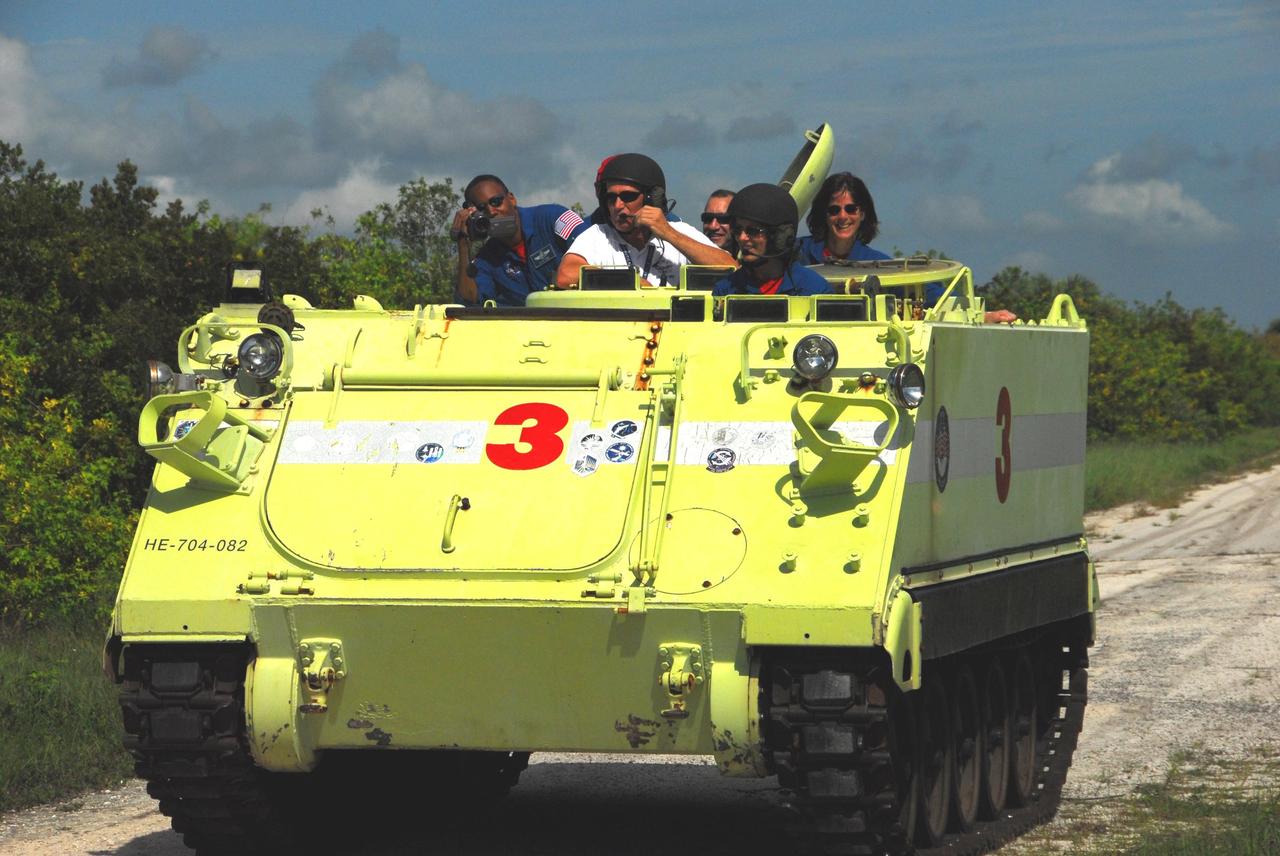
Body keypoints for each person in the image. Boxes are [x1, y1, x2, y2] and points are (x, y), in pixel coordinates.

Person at [556, 154, 735, 289]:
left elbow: (731, 268)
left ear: (651, 200)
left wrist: (668, 233)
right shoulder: (597, 235)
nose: (618, 206)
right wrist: (631, 282)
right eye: (611, 198)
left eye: (628, 196)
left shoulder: (678, 231)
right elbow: (566, 275)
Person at [451, 174, 588, 306]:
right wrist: (463, 244)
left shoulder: (552, 218)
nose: (492, 211)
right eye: (482, 209)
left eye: (496, 202)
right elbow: (469, 302)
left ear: (511, 199)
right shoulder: (487, 259)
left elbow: (593, 251)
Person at [710, 183, 831, 297]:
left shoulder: (815, 291)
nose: (742, 238)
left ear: (781, 236)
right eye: (737, 230)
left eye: (753, 231)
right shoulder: (725, 291)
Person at [797, 172, 889, 265]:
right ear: (824, 214)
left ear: (862, 214)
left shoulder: (880, 265)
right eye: (834, 210)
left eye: (851, 209)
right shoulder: (797, 254)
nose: (842, 216)